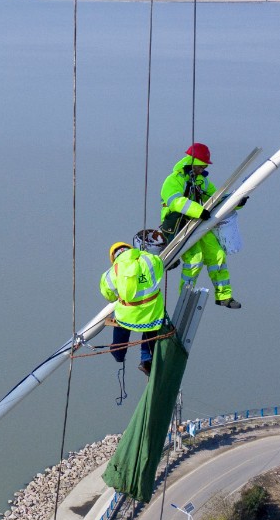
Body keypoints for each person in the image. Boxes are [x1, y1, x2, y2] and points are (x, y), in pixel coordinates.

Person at [158, 142, 245, 308]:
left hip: (197, 223)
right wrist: (198, 210)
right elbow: (175, 201)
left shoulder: (201, 181)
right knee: (195, 259)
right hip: (180, 226)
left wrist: (236, 201)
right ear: (191, 162)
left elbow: (215, 198)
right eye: (200, 166)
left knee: (217, 254)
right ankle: (185, 296)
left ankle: (224, 296)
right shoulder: (173, 180)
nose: (202, 169)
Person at [99, 230, 169, 375]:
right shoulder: (149, 259)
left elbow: (109, 295)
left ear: (114, 257)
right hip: (151, 310)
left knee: (121, 326)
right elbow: (160, 268)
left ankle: (118, 353)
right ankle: (146, 360)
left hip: (127, 313)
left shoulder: (111, 273)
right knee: (150, 331)